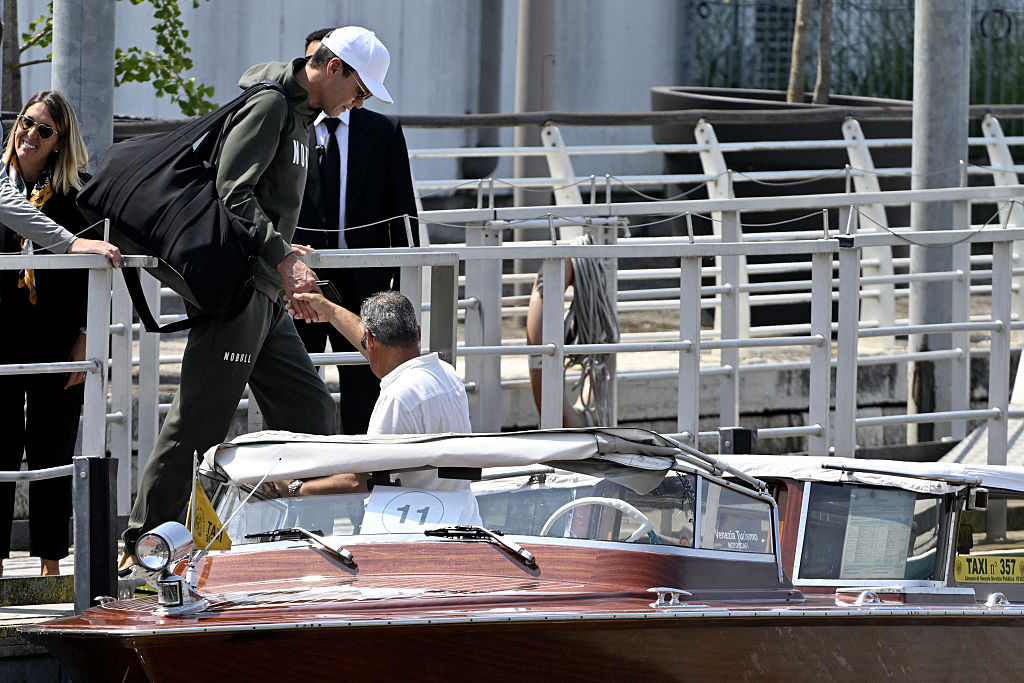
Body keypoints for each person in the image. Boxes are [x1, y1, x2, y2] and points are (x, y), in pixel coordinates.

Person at [119, 26, 398, 571]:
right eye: (361, 90)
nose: (359, 103)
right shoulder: (273, 106)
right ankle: (140, 548)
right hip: (242, 292)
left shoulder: (300, 118)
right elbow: (232, 193)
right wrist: (283, 255)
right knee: (198, 423)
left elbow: (257, 201)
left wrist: (283, 249)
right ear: (334, 67)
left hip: (265, 293)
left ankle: (305, 544)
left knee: (314, 415)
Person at [0, 91, 113, 577]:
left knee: (52, 448)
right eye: (27, 123)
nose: (31, 134)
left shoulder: (78, 194)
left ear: (60, 141)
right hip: (1, 339)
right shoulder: (1, 185)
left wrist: (88, 336)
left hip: (59, 339)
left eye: (44, 130)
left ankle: (50, 566)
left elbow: (101, 272)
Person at [295, 27, 419, 435]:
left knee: (365, 386)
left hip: (367, 279)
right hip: (302, 277)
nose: (358, 100)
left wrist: (402, 288)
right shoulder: (291, 125)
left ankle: (363, 471)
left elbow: (403, 213)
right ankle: (304, 474)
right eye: (360, 90)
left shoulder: (383, 132)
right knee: (299, 380)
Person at [277, 290, 471, 497]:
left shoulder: (397, 397)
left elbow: (362, 481)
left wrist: (295, 489)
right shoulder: (446, 373)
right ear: (418, 333)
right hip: (461, 515)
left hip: (413, 525)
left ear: (369, 339)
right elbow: (376, 347)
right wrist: (330, 311)